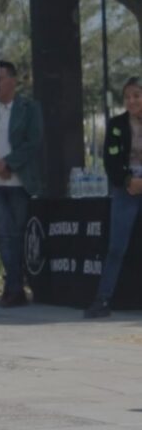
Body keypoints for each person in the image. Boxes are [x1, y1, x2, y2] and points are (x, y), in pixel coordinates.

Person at [0, 60, 44, 308]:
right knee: (3, 235)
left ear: (13, 80)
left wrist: (7, 164)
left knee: (17, 236)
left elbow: (33, 142)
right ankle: (14, 288)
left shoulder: (29, 108)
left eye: (0, 78)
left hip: (19, 182)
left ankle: (14, 288)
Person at [83, 76, 142, 319]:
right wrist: (128, 181)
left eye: (136, 95)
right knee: (117, 247)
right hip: (126, 187)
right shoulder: (117, 123)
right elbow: (111, 159)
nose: (131, 101)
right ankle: (102, 299)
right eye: (127, 97)